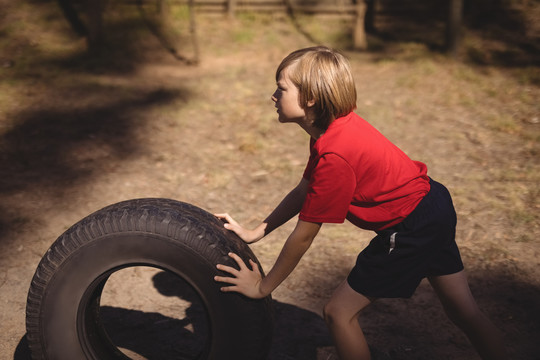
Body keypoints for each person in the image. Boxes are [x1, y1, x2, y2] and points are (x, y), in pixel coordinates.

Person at [213, 46, 506, 360]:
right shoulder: (332, 129)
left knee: (339, 314)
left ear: (310, 97)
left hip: (411, 226)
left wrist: (262, 287)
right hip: (433, 204)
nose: (273, 96)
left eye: (281, 88)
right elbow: (303, 191)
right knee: (463, 311)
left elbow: (304, 236)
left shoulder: (335, 155)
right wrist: (257, 232)